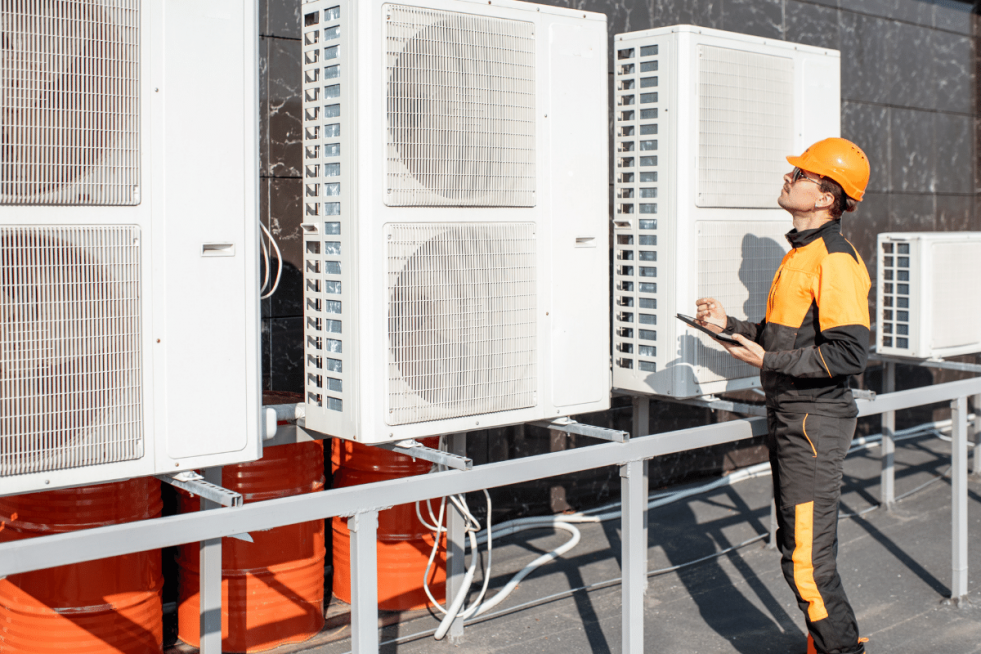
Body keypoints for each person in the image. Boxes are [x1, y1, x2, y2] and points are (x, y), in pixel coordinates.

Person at [695, 137, 872, 654]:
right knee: (797, 547)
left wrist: (766, 362)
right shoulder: (802, 254)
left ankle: (840, 648)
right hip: (794, 415)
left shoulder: (834, 259)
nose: (788, 178)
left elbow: (847, 355)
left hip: (814, 421)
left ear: (825, 197)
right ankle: (829, 643)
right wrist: (730, 326)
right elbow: (784, 337)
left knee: (807, 561)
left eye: (800, 175)